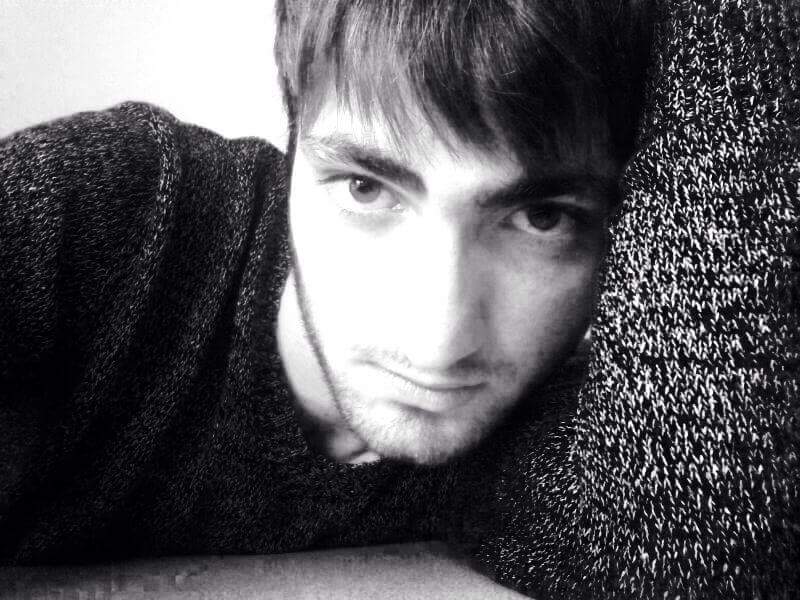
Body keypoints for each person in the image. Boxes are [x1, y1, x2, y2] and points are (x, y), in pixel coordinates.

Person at [0, 0, 653, 568]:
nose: (439, 344)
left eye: (542, 219)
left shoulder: (574, 434)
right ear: (291, 155)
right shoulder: (115, 214)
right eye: (366, 189)